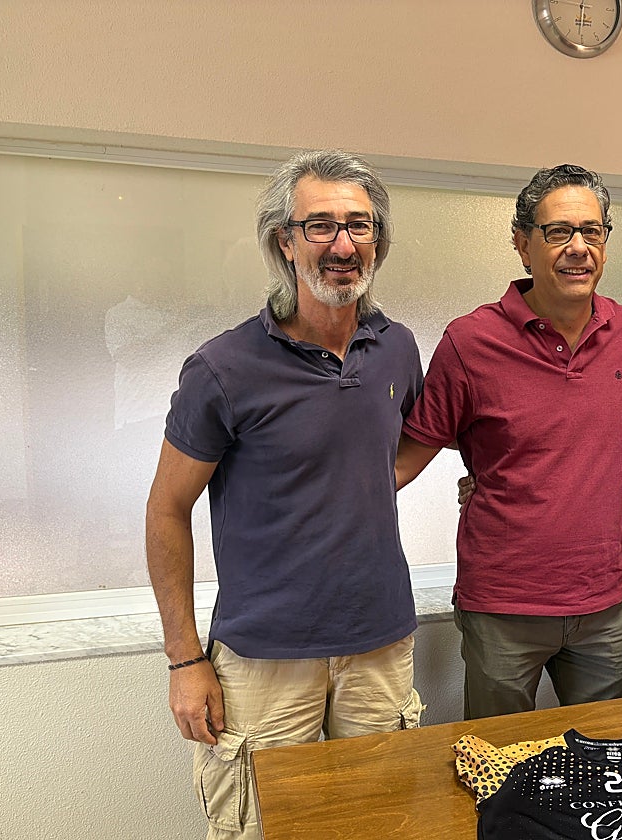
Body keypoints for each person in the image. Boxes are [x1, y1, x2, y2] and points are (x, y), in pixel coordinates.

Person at [145, 150, 425, 840]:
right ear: (285, 241)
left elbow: (414, 439)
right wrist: (185, 661)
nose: (342, 244)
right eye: (320, 225)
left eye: (359, 226)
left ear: (378, 241)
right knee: (262, 829)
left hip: (379, 646)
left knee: (377, 824)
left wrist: (363, 482)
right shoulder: (223, 368)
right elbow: (166, 511)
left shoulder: (397, 349)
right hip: (265, 656)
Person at [395, 164, 622, 719]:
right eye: (558, 231)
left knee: (615, 764)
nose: (578, 247)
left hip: (604, 604)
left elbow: (615, 442)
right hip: (503, 608)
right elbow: (401, 464)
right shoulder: (470, 342)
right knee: (501, 771)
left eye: (592, 231)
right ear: (522, 242)